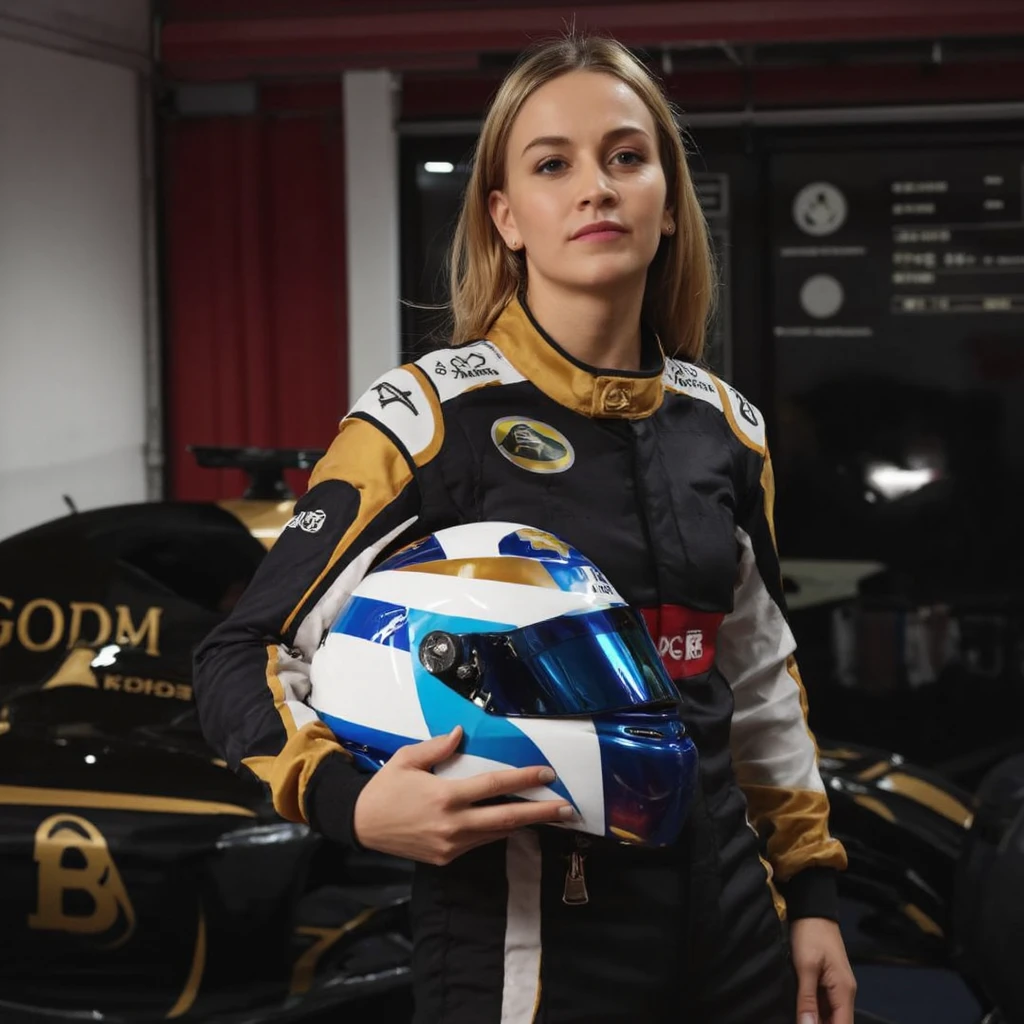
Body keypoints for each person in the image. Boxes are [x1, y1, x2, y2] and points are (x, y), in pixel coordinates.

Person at [193, 31, 855, 1024]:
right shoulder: (424, 423)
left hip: (731, 926)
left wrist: (810, 897)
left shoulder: (726, 430)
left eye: (626, 157)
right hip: (532, 934)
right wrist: (351, 801)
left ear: (668, 204)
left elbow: (757, 684)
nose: (595, 187)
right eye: (553, 164)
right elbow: (242, 653)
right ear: (506, 216)